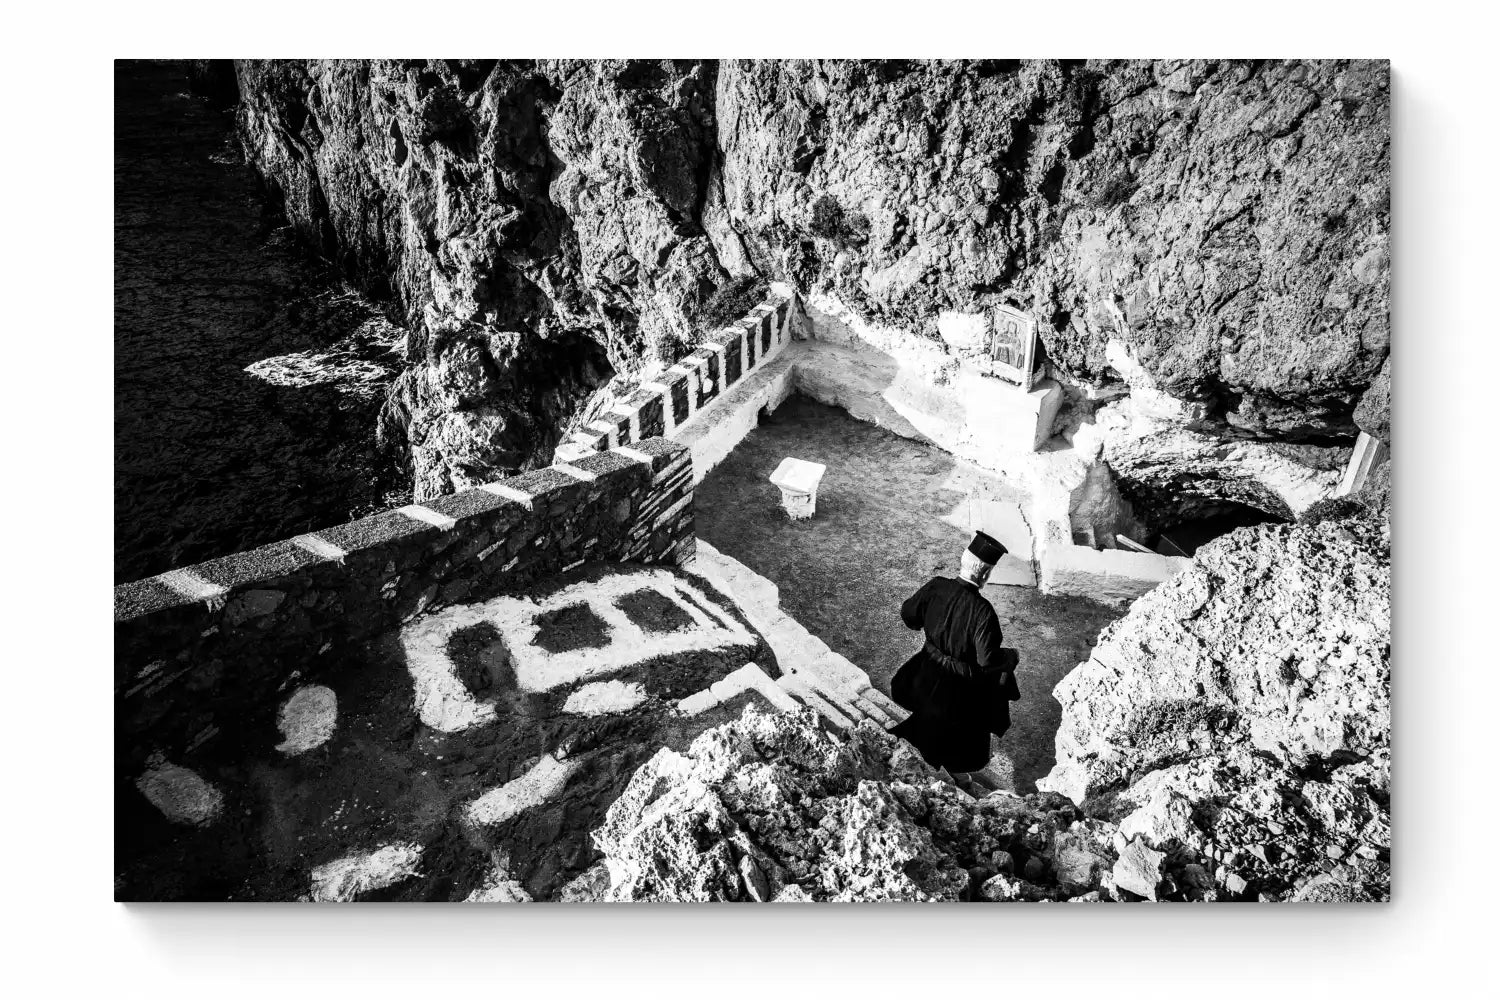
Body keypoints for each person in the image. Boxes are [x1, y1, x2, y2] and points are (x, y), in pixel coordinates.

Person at [889, 531, 1020, 777]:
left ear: (963, 561)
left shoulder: (936, 586)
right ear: (985, 574)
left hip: (924, 671)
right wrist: (1011, 656)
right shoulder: (983, 612)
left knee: (928, 723)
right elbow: (987, 660)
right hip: (957, 688)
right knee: (955, 734)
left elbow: (909, 615)